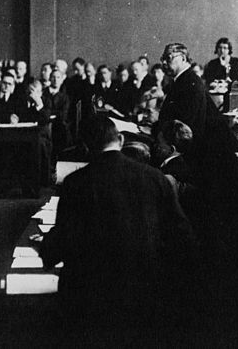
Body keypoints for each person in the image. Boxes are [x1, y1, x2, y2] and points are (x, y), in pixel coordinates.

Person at [38, 115, 194, 325]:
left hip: (91, 295)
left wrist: (45, 247)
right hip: (145, 290)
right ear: (120, 140)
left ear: (85, 148)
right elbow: (182, 235)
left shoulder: (76, 182)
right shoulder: (155, 177)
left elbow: (62, 242)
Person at [159, 43, 210, 150]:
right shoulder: (182, 80)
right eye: (163, 59)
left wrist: (156, 126)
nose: (164, 63)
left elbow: (183, 126)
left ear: (182, 58)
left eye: (168, 58)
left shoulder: (190, 83)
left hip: (183, 149)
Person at [44, 69, 70, 155]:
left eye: (58, 77)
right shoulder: (43, 93)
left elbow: (63, 115)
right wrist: (55, 114)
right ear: (49, 79)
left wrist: (49, 114)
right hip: (44, 125)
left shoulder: (65, 97)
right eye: (53, 77)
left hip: (59, 127)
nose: (55, 80)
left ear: (62, 80)